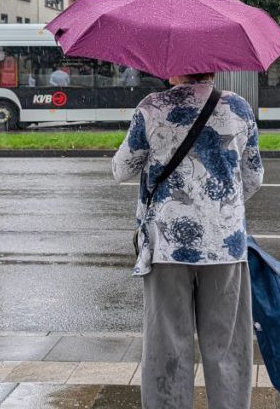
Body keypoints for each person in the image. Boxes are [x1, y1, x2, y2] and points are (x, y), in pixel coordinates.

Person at [112, 73, 263, 409]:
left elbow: (121, 170)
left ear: (174, 67)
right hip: (225, 246)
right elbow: (253, 177)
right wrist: (214, 211)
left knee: (167, 347)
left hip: (166, 247)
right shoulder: (238, 108)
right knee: (227, 348)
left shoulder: (152, 107)